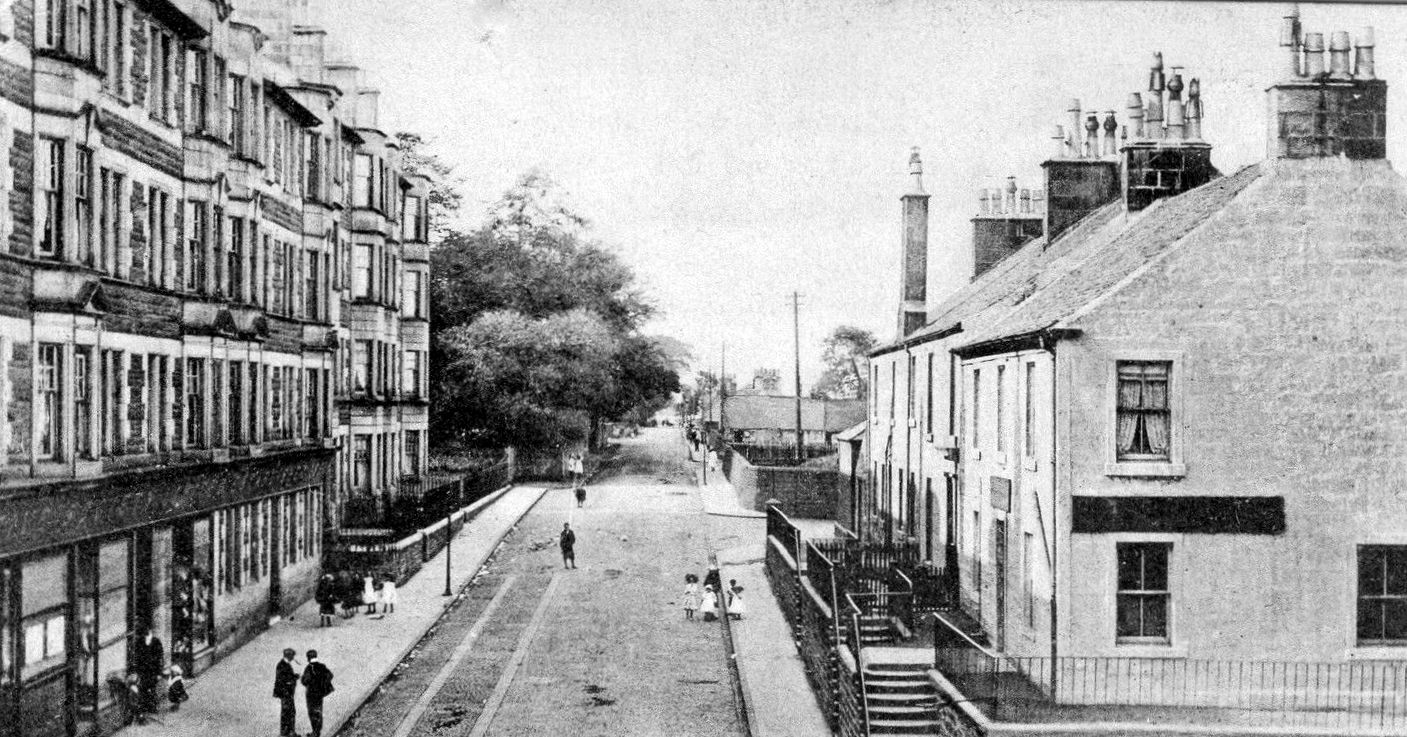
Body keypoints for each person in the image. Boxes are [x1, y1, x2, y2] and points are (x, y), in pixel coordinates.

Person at [131, 627, 164, 721]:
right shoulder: (139, 642)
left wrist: (159, 672)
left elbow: (160, 657)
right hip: (143, 670)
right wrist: (137, 670)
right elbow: (136, 657)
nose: (146, 633)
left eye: (148, 631)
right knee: (143, 688)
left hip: (154, 670)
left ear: (150, 631)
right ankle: (145, 708)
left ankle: (152, 707)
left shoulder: (156, 641)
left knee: (152, 688)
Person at [301, 649, 335, 737]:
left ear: (308, 658)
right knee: (318, 711)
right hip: (319, 695)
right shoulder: (321, 666)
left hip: (311, 695)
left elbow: (304, 681)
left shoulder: (309, 668)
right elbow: (330, 675)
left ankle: (315, 733)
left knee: (312, 712)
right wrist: (322, 685)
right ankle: (317, 731)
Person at [273, 648, 300, 737]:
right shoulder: (284, 665)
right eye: (292, 656)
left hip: (284, 693)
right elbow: (285, 680)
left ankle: (285, 732)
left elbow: (286, 677)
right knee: (290, 711)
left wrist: (294, 676)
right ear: (289, 656)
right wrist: (293, 679)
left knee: (286, 712)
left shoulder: (282, 664)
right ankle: (291, 733)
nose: (293, 658)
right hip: (286, 693)